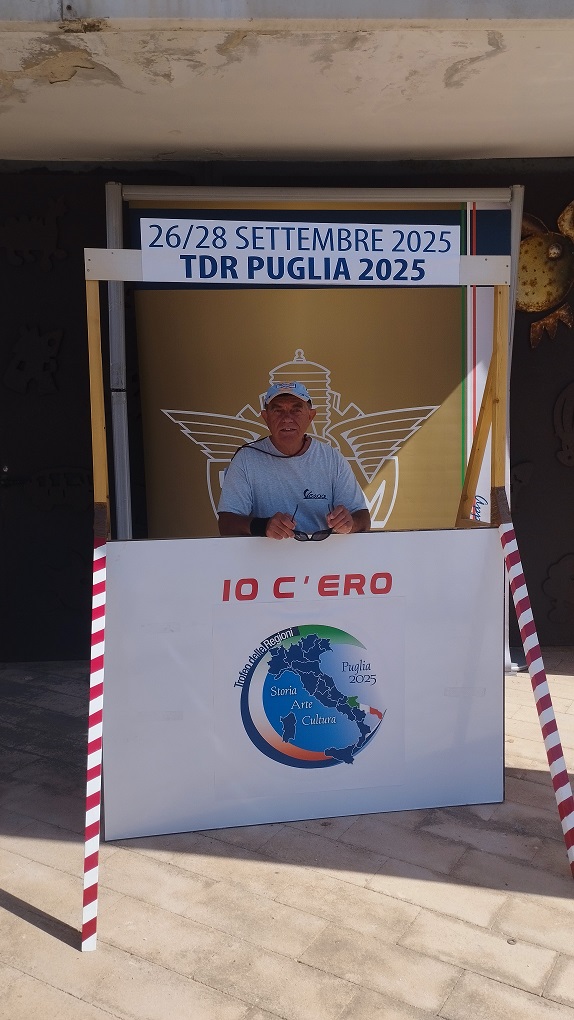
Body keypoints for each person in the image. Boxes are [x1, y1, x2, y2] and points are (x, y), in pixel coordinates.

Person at [217, 380, 371, 538]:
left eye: (296, 410)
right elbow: (226, 524)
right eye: (278, 411)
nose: (287, 418)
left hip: (324, 553)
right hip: (265, 554)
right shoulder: (245, 459)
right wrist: (263, 526)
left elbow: (363, 519)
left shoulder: (332, 459)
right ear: (265, 417)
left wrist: (350, 523)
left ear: (310, 416)